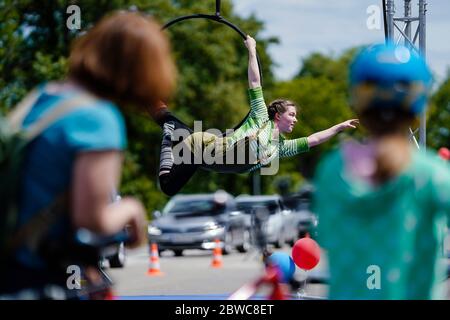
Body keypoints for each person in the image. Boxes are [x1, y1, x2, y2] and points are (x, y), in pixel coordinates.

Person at [0, 11, 176, 298]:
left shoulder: (43, 96)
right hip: (34, 281)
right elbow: (92, 219)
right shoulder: (97, 117)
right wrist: (132, 210)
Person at [313, 43, 450, 299]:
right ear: (419, 103)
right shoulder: (432, 173)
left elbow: (328, 235)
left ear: (357, 99)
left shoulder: (333, 170)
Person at [151, 35, 358, 196]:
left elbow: (313, 140)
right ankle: (166, 133)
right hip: (205, 149)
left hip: (212, 158)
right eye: (292, 114)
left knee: (178, 129)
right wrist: (252, 49)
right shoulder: (261, 117)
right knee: (168, 185)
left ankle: (157, 109)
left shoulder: (280, 148)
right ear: (278, 115)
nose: (295, 119)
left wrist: (338, 127)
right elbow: (255, 83)